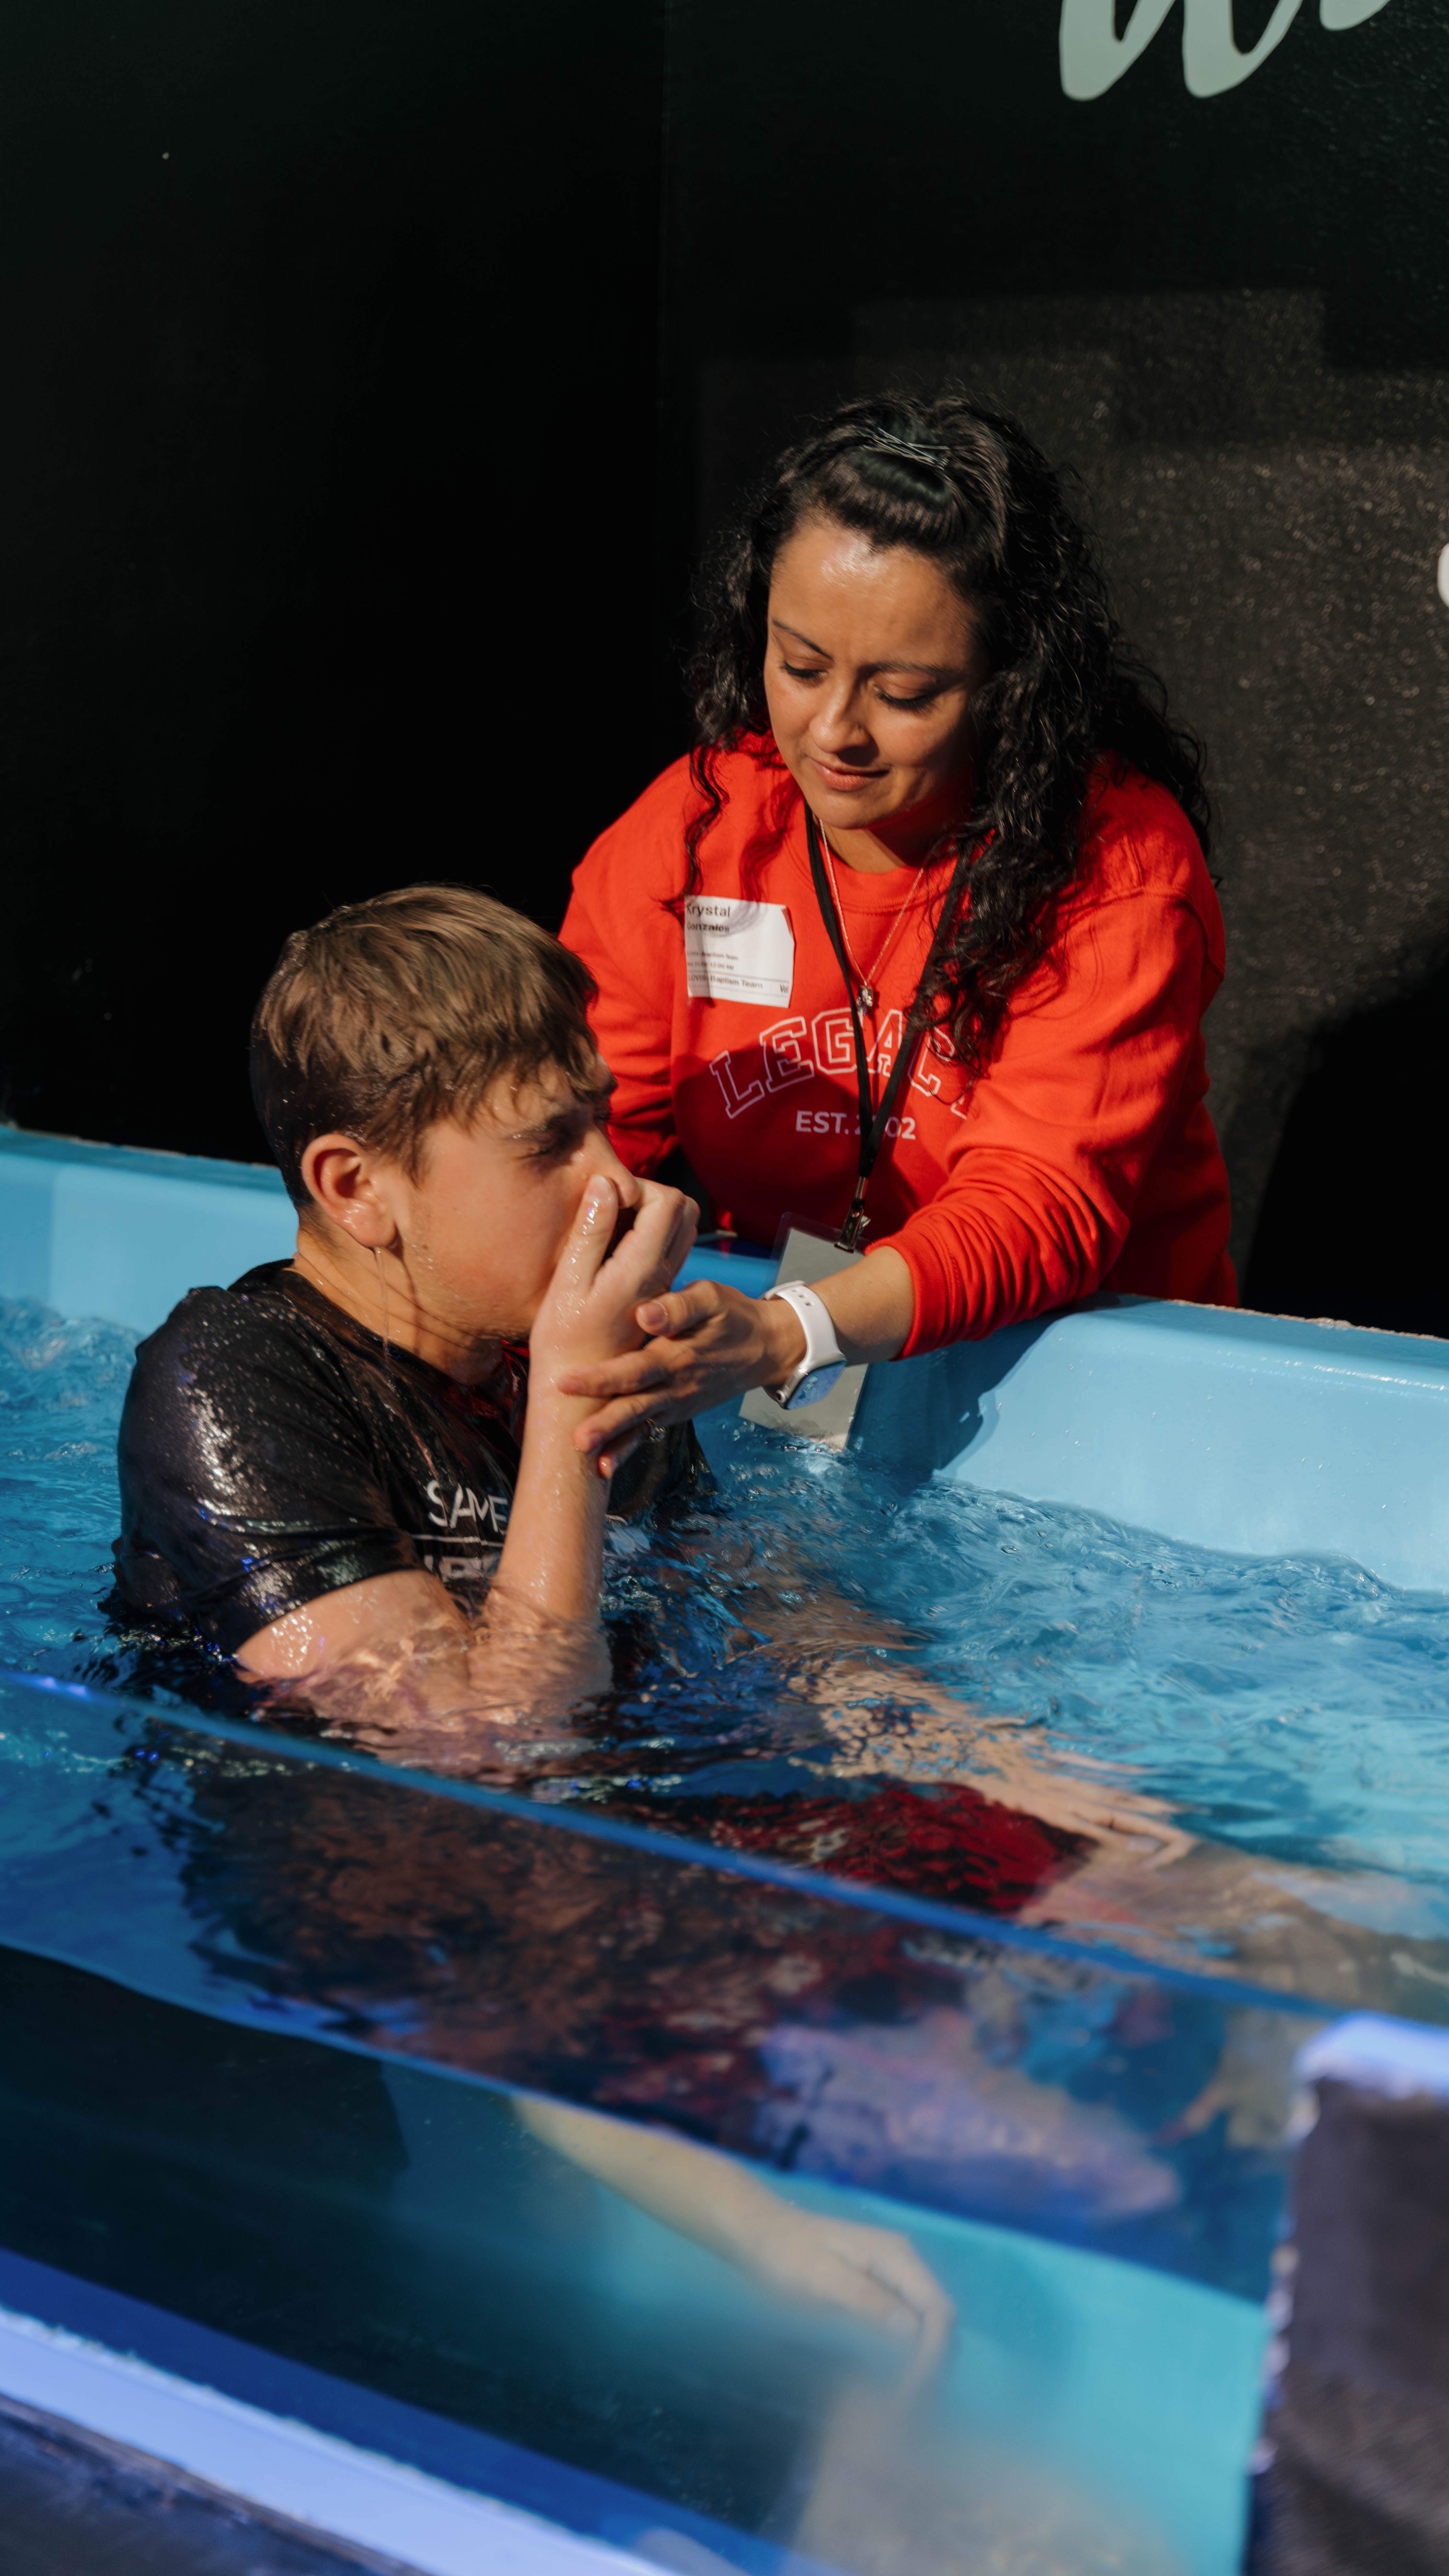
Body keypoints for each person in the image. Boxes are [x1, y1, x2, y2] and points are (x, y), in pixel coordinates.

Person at [110, 881, 955, 2360]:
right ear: (358, 1187)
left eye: (603, 1123)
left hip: (606, 1859)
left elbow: (765, 1609)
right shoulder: (234, 1376)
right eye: (548, 1146)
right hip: (368, 1946)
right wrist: (574, 1399)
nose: (614, 1182)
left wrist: (1007, 1772)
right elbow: (490, 1747)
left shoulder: (539, 1358)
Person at [558, 392, 1235, 1456]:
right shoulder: (697, 829)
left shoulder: (1117, 869)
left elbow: (1035, 1206)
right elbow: (580, 1125)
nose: (833, 732)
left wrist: (791, 1330)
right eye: (800, 666)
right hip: (780, 1352)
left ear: (1010, 684)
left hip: (1073, 1386)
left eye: (906, 693)